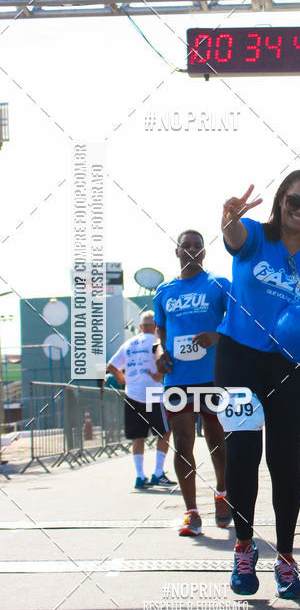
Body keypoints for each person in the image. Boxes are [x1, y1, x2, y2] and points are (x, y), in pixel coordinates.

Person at [215, 173, 300, 599]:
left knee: (285, 462)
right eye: (295, 200)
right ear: (281, 200)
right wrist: (230, 218)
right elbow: (233, 237)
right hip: (238, 356)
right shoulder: (255, 236)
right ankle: (243, 546)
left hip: (291, 365)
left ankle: (287, 559)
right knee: (241, 453)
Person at [154, 229, 232, 536]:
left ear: (203, 251)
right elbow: (161, 329)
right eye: (184, 245)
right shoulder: (164, 290)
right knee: (183, 442)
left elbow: (236, 320)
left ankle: (223, 495)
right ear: (177, 251)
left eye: (196, 245)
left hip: (213, 376)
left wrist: (217, 335)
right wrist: (160, 351)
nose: (190, 249)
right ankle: (191, 511)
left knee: (216, 440)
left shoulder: (218, 284)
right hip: (177, 379)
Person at [107, 311, 174, 490]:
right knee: (165, 432)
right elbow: (163, 366)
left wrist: (122, 380)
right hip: (154, 393)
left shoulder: (128, 344)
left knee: (138, 436)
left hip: (132, 394)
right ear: (156, 327)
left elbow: (111, 366)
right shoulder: (156, 342)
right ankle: (158, 472)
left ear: (140, 327)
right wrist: (158, 375)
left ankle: (139, 475)